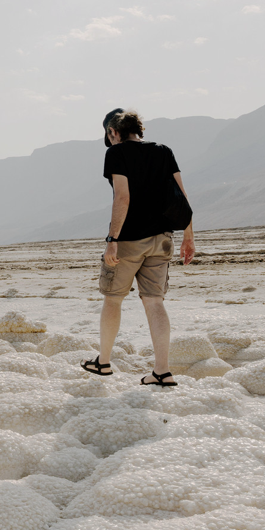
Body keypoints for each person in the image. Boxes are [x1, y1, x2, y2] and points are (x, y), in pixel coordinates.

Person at [82, 110, 195, 387]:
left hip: (129, 241)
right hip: (162, 239)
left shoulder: (116, 154)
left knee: (113, 298)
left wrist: (112, 239)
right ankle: (162, 372)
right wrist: (189, 236)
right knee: (155, 301)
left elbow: (123, 196)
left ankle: (104, 362)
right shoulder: (163, 151)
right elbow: (182, 195)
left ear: (113, 132)